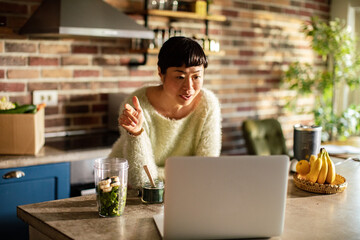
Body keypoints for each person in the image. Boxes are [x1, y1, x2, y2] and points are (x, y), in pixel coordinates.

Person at [109, 36, 222, 189]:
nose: (189, 87)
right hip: (126, 187)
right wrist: (136, 134)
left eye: (196, 76)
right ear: (161, 73)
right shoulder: (137, 106)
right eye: (180, 77)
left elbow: (206, 169)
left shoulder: (208, 105)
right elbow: (142, 181)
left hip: (179, 190)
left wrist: (164, 177)